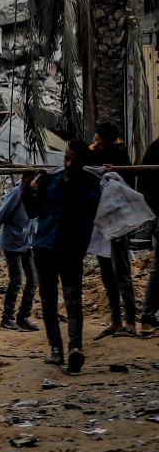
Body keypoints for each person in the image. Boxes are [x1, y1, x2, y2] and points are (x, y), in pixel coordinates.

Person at [25, 142, 104, 374]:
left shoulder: (90, 185)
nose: (68, 164)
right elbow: (32, 211)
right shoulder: (51, 180)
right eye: (66, 158)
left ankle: (74, 348)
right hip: (45, 247)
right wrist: (26, 187)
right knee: (49, 300)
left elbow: (91, 213)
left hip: (70, 249)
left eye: (73, 160)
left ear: (83, 163)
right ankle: (56, 349)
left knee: (72, 299)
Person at [91, 123, 135, 336]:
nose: (95, 143)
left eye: (98, 140)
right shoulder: (97, 156)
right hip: (101, 222)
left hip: (117, 221)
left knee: (121, 273)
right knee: (107, 273)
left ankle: (130, 322)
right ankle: (116, 320)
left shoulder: (119, 155)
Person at [0, 179, 37, 331]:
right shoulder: (16, 193)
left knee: (33, 280)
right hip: (12, 242)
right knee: (17, 280)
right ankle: (7, 318)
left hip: (28, 242)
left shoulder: (36, 194)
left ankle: (23, 317)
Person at [140, 132, 159, 334]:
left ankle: (148, 315)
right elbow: (146, 186)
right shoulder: (156, 149)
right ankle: (148, 315)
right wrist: (156, 216)